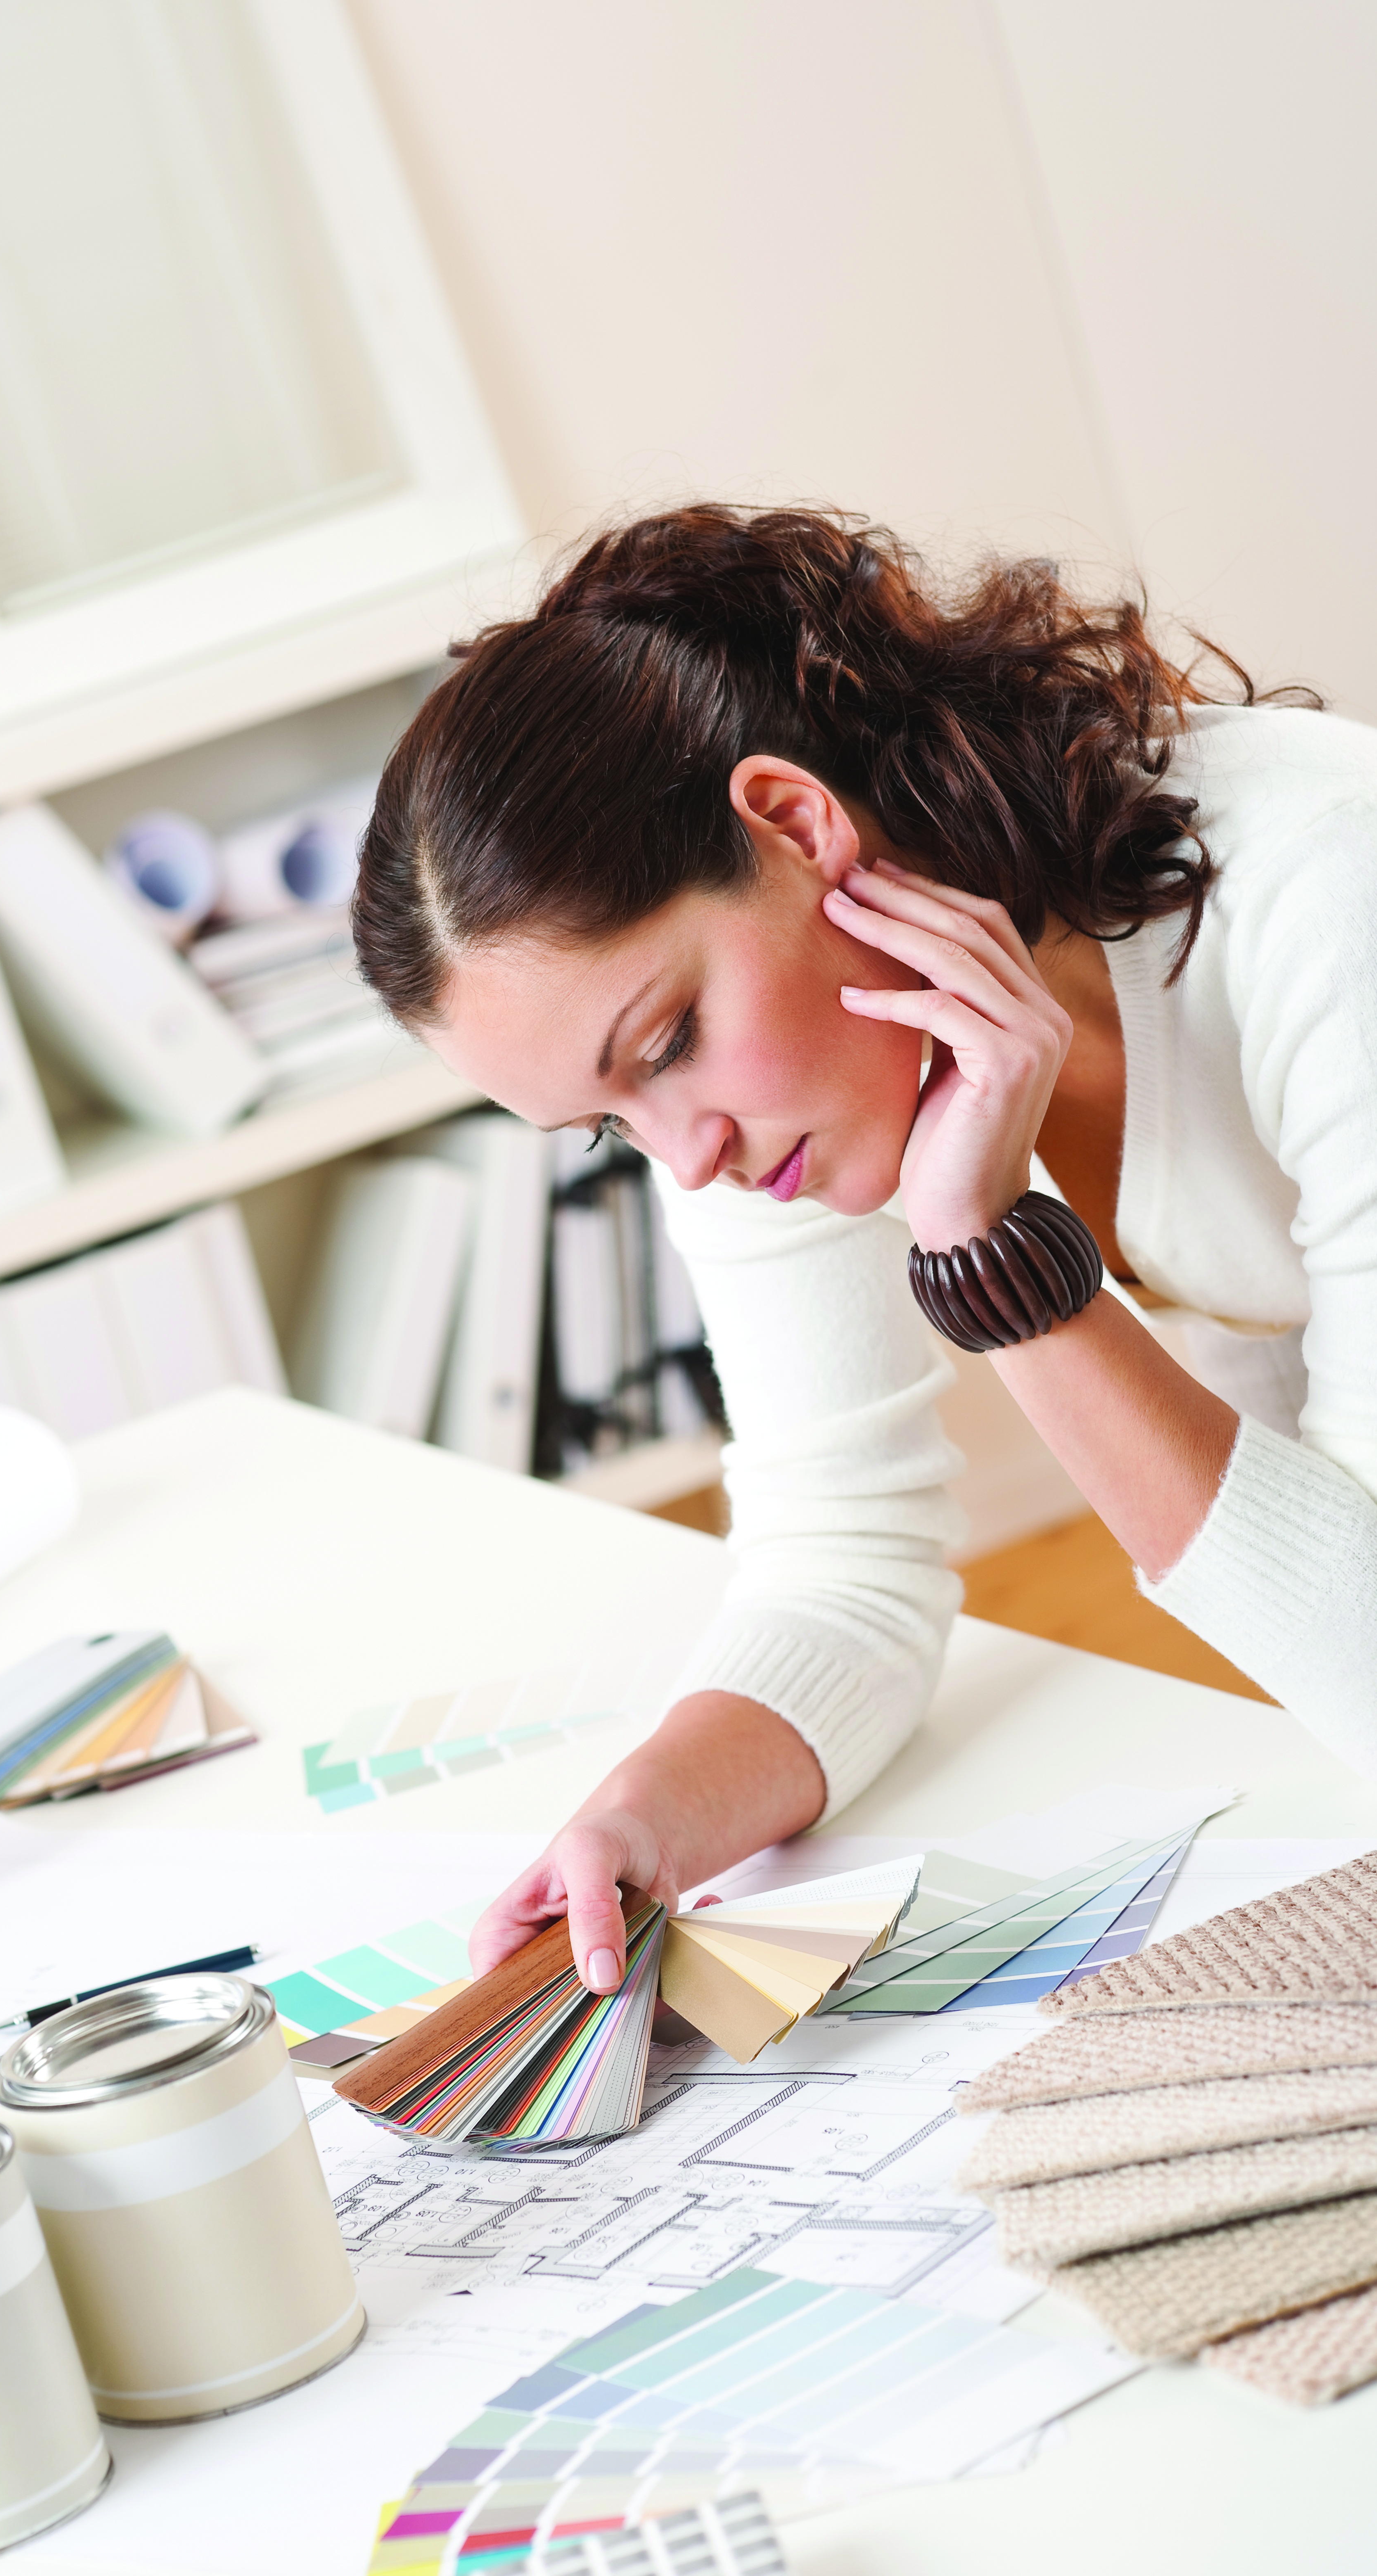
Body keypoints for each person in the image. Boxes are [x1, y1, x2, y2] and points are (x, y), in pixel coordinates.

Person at [352, 504, 1377, 1998]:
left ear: (793, 824)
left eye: (664, 1042)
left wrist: (997, 1268)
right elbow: (841, 1567)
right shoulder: (768, 1071)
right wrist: (645, 1820)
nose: (682, 1155)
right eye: (604, 1122)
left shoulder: (1324, 905)